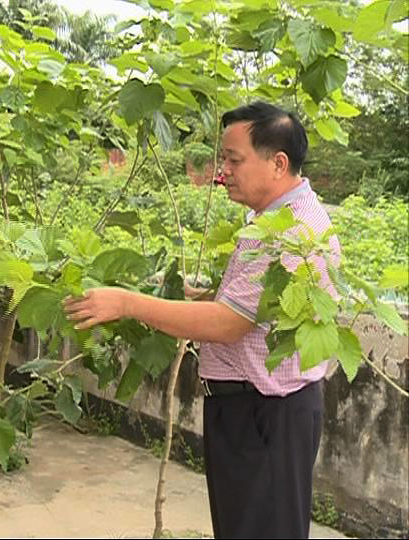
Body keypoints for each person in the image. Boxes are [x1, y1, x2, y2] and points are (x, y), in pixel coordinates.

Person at [64, 101, 340, 539]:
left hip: (266, 413)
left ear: (278, 163)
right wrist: (210, 296)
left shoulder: (293, 233)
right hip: (250, 409)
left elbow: (229, 324)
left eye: (233, 160)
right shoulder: (272, 219)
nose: (222, 171)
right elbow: (261, 306)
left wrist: (127, 303)